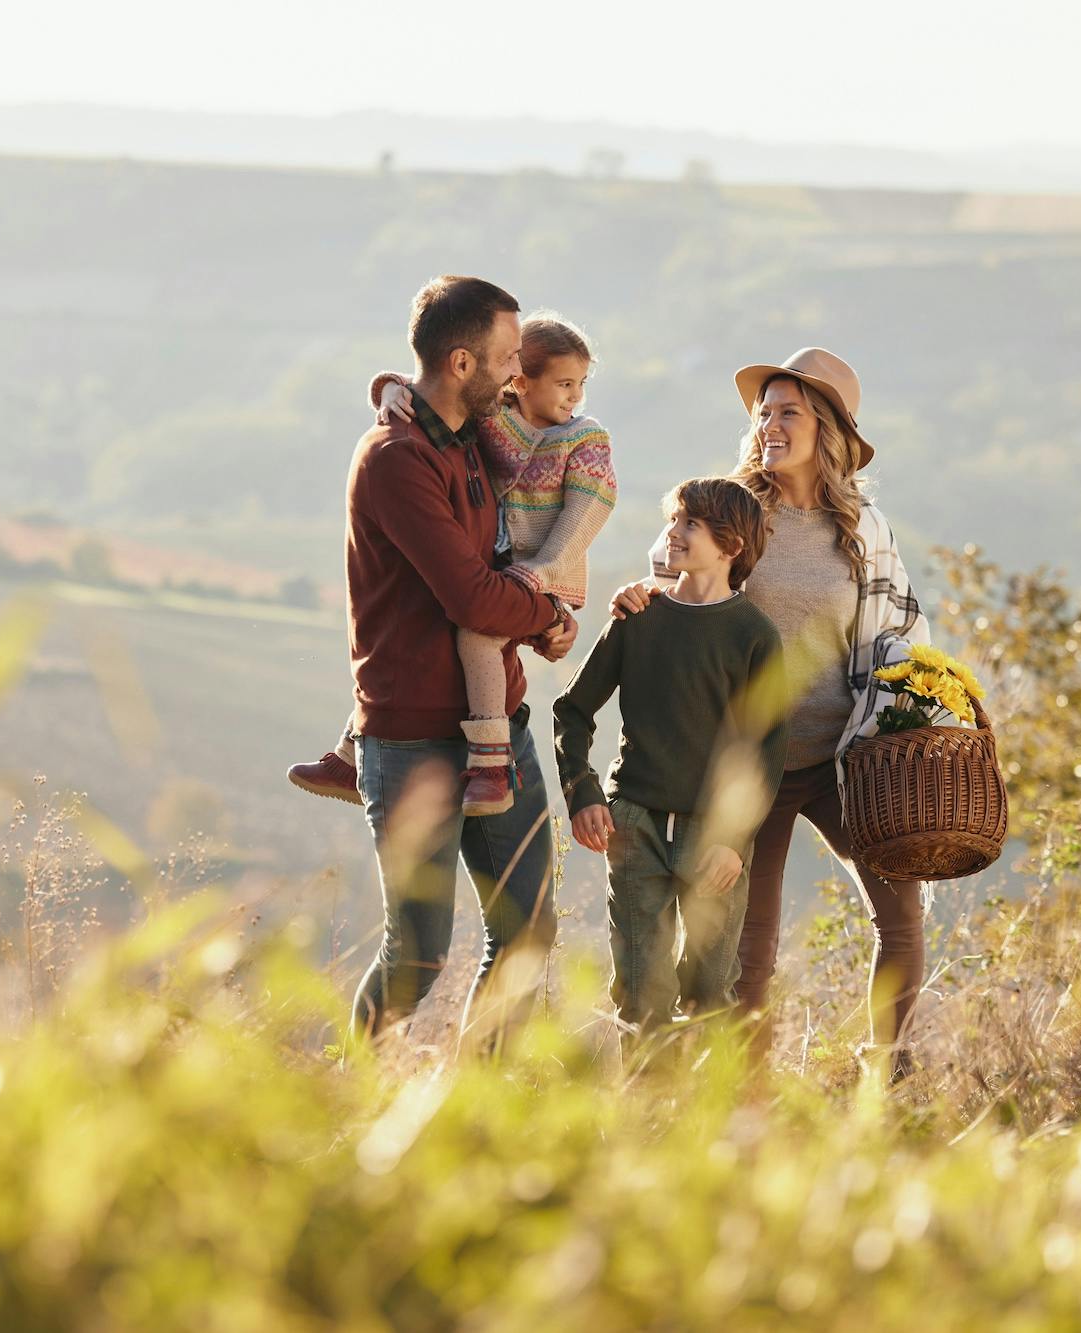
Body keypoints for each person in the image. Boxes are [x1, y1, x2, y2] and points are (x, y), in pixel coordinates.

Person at [611, 348, 931, 1073]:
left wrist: (911, 715)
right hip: (746, 770)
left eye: (788, 412)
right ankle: (744, 1097)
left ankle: (889, 1071)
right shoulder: (733, 511)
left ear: (827, 428)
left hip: (840, 761)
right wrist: (641, 594)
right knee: (747, 956)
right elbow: (671, 578)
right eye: (764, 412)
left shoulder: (864, 529)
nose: (770, 425)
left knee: (902, 915)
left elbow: (902, 636)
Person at [333, 275, 579, 1041]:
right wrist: (542, 611)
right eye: (509, 357)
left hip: (498, 720)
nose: (519, 374)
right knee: (419, 958)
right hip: (411, 741)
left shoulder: (472, 436)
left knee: (529, 932)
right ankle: (359, 1091)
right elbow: (471, 597)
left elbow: (500, 551)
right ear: (463, 362)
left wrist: (539, 622)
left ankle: (478, 1104)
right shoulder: (395, 460)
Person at [288, 313, 617, 816]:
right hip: (498, 562)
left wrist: (540, 576)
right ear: (520, 381)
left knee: (476, 633)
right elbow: (442, 396)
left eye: (581, 385)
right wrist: (388, 389)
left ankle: (489, 763)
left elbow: (587, 514)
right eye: (564, 384)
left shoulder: (583, 438)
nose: (575, 397)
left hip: (544, 569)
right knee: (418, 615)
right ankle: (352, 753)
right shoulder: (496, 417)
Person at [554, 477, 788, 1034]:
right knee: (641, 990)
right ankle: (646, 1115)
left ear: (730, 547)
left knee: (710, 992)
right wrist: (583, 794)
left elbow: (768, 751)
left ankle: (702, 1118)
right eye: (673, 520)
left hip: (716, 837)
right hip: (635, 823)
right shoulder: (638, 617)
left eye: (691, 524)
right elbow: (573, 710)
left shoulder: (755, 636)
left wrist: (734, 843)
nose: (673, 533)